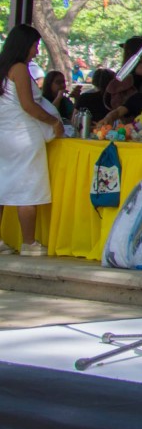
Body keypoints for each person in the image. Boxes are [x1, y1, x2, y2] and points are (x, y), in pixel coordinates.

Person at [0, 25, 63, 256]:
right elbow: (29, 106)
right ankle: (29, 243)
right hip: (23, 136)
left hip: (3, 135)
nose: (36, 52)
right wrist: (53, 122)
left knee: (2, 186)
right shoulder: (19, 69)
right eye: (35, 46)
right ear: (25, 45)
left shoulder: (3, 68)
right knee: (26, 189)